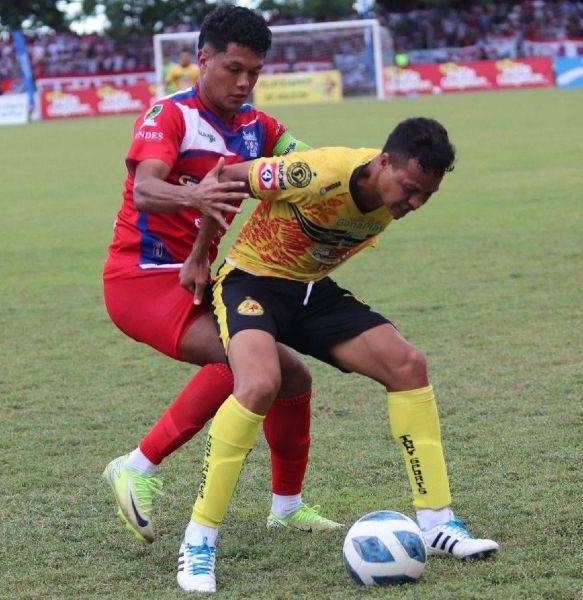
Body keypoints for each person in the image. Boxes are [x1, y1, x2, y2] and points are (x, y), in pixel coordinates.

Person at [175, 118, 499, 593]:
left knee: (408, 365)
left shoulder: (397, 190)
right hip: (253, 282)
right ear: (383, 162)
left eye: (424, 196)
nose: (412, 203)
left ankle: (436, 524)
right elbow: (223, 179)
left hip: (309, 291)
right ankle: (199, 541)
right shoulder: (315, 173)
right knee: (260, 383)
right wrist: (201, 253)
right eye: (409, 189)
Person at [101, 5, 340, 547]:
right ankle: (135, 466)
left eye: (254, 72)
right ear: (201, 59)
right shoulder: (170, 115)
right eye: (233, 68)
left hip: (199, 278)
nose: (244, 82)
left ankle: (287, 508)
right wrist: (194, 193)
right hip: (140, 280)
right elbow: (145, 189)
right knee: (244, 366)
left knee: (293, 378)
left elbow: (311, 163)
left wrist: (358, 173)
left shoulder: (260, 128)